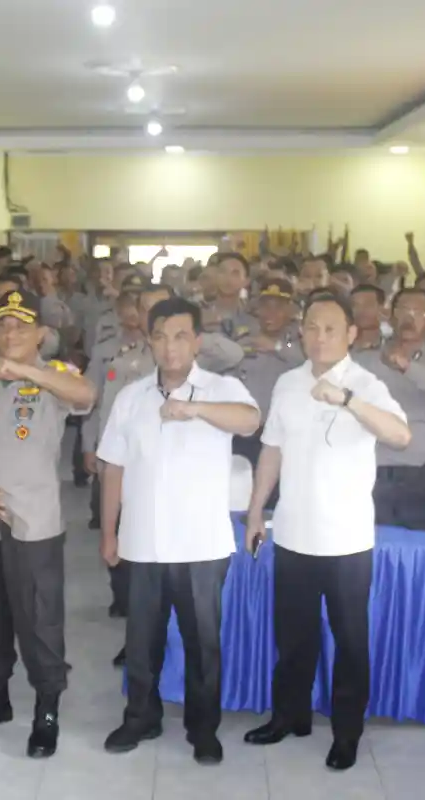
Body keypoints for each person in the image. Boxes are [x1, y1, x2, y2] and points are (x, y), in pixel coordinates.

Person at [244, 291, 410, 771]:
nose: (319, 337)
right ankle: (289, 716)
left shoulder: (366, 383)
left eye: (331, 328)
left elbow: (401, 435)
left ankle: (346, 733)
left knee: (350, 642)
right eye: (312, 328)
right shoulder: (288, 383)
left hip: (346, 540)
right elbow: (271, 450)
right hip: (293, 533)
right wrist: (256, 511)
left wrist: (348, 400)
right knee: (293, 638)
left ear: (351, 334)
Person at [97, 296, 260, 766]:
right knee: (141, 642)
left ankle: (203, 728)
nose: (171, 347)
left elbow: (251, 421)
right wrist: (109, 532)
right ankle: (140, 717)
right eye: (161, 337)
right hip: (143, 543)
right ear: (149, 341)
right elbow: (113, 469)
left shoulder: (221, 387)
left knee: (202, 643)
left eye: (181, 336)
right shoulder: (131, 397)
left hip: (201, 545)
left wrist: (195, 408)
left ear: (197, 342)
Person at [0, 288, 94, 759]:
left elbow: (86, 395)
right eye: (3, 326)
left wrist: (29, 371)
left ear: (41, 334)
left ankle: (46, 708)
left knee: (39, 617)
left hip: (34, 519)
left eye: (21, 327)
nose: (10, 334)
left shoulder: (56, 376)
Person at [352, 288, 425, 524]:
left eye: (419, 312)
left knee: (408, 541)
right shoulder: (364, 359)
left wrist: (408, 368)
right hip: (365, 467)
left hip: (411, 471)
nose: (409, 317)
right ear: (390, 316)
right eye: (403, 310)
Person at [233, 279, 305, 470]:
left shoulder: (300, 341)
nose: (270, 313)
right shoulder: (245, 339)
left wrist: (276, 347)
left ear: (291, 310)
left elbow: (307, 362)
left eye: (278, 307)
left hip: (285, 435)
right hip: (246, 433)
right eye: (265, 306)